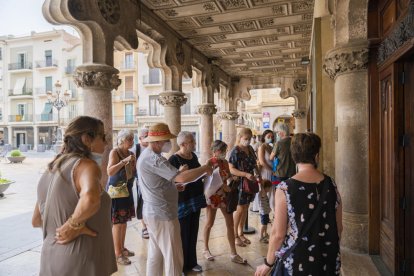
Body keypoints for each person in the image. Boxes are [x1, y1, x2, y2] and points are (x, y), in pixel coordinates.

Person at [31, 116, 117, 276]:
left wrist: (62, 228)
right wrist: (73, 225)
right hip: (80, 260)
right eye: (102, 137)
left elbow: (36, 220)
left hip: (51, 257)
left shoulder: (52, 169)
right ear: (86, 139)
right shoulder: (85, 165)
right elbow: (90, 199)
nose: (106, 144)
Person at [255, 133, 343, 276]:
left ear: (294, 157)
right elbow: (339, 227)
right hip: (327, 260)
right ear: (316, 155)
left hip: (297, 262)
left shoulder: (285, 188)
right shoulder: (331, 184)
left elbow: (278, 234)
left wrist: (267, 263)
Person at [137, 123, 213, 276]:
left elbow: (161, 181)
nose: (169, 143)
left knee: (155, 255)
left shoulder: (149, 156)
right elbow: (181, 176)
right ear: (158, 142)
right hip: (162, 214)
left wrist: (172, 186)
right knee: (173, 256)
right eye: (167, 140)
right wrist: (205, 167)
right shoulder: (154, 159)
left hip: (154, 212)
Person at [203, 140, 247, 264]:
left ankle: (233, 253)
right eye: (222, 151)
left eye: (225, 150)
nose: (224, 153)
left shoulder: (225, 162)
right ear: (215, 151)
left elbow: (226, 176)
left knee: (230, 223)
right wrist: (222, 186)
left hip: (224, 195)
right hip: (213, 195)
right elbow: (210, 180)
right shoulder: (210, 162)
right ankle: (205, 249)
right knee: (209, 223)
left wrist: (232, 178)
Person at [168, 131, 206, 272]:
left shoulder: (193, 156)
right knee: (183, 234)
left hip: (195, 198)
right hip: (182, 202)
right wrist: (179, 172)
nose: (195, 144)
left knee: (193, 231)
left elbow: (197, 172)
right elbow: (170, 180)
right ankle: (182, 266)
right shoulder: (173, 159)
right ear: (183, 144)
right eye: (192, 142)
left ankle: (192, 262)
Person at [107, 129, 136, 265]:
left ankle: (122, 249)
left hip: (127, 189)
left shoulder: (131, 153)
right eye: (130, 139)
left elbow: (133, 172)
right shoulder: (115, 152)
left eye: (132, 139)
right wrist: (123, 162)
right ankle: (117, 254)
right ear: (122, 140)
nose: (132, 141)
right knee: (117, 223)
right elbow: (110, 171)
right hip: (117, 192)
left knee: (124, 222)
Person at [228, 127, 261, 247]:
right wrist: (245, 174)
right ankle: (235, 236)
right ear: (240, 138)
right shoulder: (235, 151)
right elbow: (231, 169)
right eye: (246, 139)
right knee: (240, 208)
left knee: (246, 207)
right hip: (241, 183)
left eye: (249, 138)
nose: (247, 141)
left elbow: (255, 164)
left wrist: (259, 175)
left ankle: (241, 233)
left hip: (251, 182)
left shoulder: (250, 148)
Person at [134, 127, 149, 239]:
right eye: (146, 136)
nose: (148, 138)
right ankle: (144, 227)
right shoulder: (136, 149)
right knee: (142, 203)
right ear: (140, 138)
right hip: (141, 181)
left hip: (151, 180)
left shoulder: (152, 148)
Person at [258, 129, 275, 211]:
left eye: (272, 136)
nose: (270, 138)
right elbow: (262, 162)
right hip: (265, 172)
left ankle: (270, 210)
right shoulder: (262, 147)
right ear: (264, 137)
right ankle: (264, 213)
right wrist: (271, 169)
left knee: (272, 192)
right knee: (265, 192)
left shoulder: (271, 147)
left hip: (272, 172)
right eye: (268, 136)